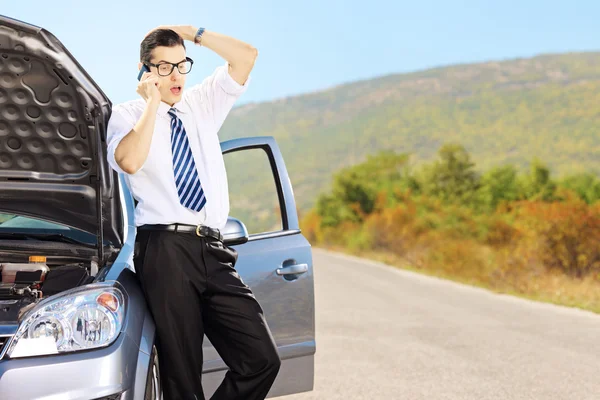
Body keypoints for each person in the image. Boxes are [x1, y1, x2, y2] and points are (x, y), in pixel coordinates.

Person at [106, 25, 281, 400]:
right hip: (164, 249)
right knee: (181, 375)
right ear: (145, 71)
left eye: (181, 64)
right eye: (164, 67)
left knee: (261, 359)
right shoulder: (126, 116)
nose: (176, 76)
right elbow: (130, 161)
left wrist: (193, 33)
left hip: (213, 250)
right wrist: (152, 104)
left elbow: (246, 56)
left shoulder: (203, 103)